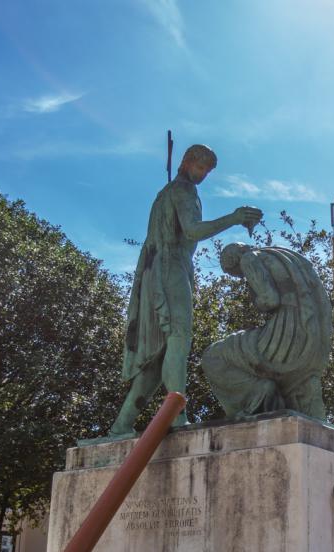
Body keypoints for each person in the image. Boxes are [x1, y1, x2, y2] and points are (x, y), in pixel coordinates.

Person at [110, 144, 261, 434]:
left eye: (207, 171)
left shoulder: (167, 192)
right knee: (179, 339)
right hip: (170, 268)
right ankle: (177, 417)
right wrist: (234, 217)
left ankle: (122, 425)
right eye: (200, 167)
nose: (202, 175)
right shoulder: (183, 190)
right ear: (186, 162)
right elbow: (192, 230)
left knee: (159, 356)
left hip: (159, 270)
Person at [201, 243, 333, 420]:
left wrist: (258, 302)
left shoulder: (248, 259)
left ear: (233, 261)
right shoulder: (284, 254)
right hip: (313, 343)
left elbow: (270, 299)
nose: (241, 277)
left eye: (236, 274)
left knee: (213, 355)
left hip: (283, 342)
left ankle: (259, 393)